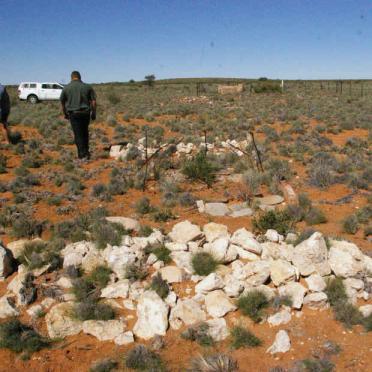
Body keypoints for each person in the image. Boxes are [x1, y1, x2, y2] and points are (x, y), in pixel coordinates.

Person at [60, 71, 96, 160]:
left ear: (71, 77)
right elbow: (93, 102)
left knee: (78, 133)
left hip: (74, 114)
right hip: (85, 113)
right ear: (80, 77)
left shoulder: (66, 88)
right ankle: (86, 151)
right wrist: (93, 113)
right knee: (85, 132)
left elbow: (62, 102)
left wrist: (65, 113)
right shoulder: (87, 87)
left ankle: (82, 154)